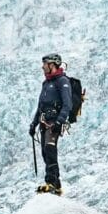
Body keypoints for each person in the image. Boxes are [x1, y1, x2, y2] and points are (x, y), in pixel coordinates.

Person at [29, 53, 72, 195]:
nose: (42, 67)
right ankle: (55, 184)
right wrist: (33, 124)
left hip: (54, 122)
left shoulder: (62, 81)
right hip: (43, 122)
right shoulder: (46, 83)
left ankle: (52, 182)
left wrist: (60, 121)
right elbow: (40, 106)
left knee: (50, 148)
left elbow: (67, 104)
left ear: (52, 65)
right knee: (45, 153)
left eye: (45, 64)